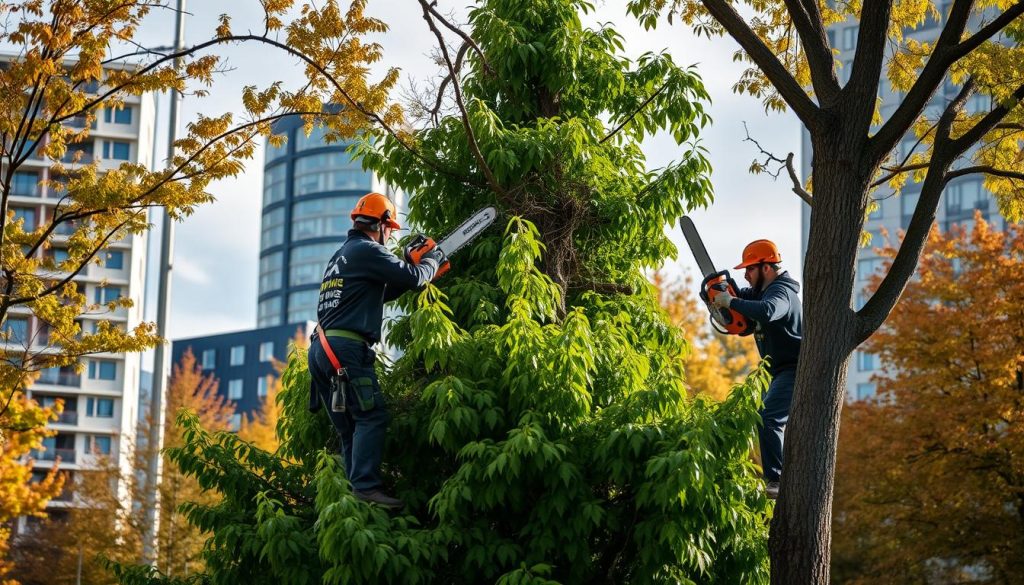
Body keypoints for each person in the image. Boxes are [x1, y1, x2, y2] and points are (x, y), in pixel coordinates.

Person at [307, 192, 447, 509]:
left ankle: (352, 494)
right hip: (345, 349)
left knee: (349, 428)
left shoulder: (342, 256)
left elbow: (381, 291)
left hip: (321, 350)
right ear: (382, 224)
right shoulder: (368, 250)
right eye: (390, 228)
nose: (391, 235)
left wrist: (411, 268)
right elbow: (413, 280)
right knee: (371, 416)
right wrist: (430, 263)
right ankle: (366, 488)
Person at [711, 239, 802, 499]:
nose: (746, 275)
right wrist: (720, 294)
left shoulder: (781, 292)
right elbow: (740, 296)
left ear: (767, 268)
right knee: (761, 417)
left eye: (750, 269)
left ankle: (777, 479)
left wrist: (731, 302)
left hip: (794, 369)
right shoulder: (760, 292)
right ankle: (777, 476)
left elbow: (769, 311)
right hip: (777, 372)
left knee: (768, 417)